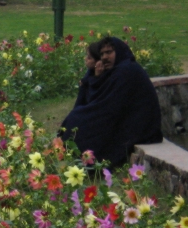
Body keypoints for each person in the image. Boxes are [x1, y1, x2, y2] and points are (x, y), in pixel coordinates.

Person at [60, 36, 162, 167]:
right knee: (78, 117)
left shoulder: (127, 70)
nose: (104, 57)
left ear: (119, 52)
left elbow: (110, 106)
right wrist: (96, 76)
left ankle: (88, 161)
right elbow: (99, 98)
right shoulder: (118, 70)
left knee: (80, 120)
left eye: (109, 52)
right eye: (102, 54)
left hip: (140, 127)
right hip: (127, 119)